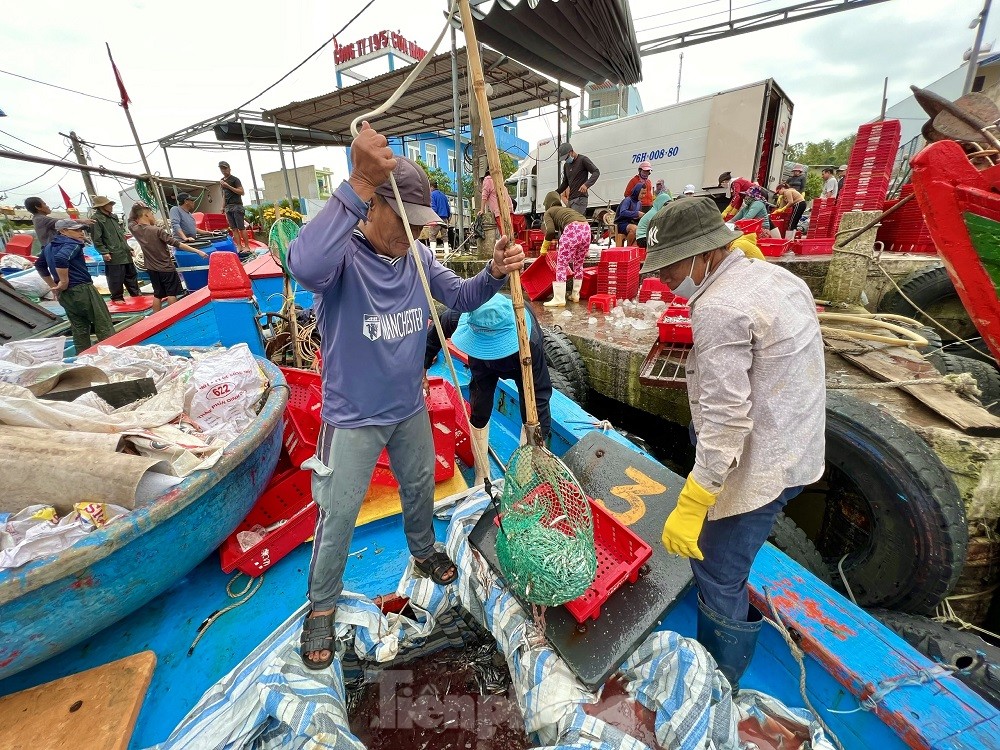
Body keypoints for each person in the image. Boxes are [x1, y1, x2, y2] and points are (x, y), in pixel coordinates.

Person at [285, 122, 525, 670]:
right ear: (372, 208)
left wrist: (492, 273)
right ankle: (321, 605)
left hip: (408, 407)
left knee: (420, 489)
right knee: (338, 513)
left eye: (420, 225)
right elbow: (303, 264)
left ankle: (422, 551)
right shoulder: (341, 260)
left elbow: (459, 294)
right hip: (352, 417)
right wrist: (358, 181)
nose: (413, 235)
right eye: (404, 221)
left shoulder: (417, 258)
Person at [639, 197, 825, 691]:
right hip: (800, 446)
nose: (663, 282)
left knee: (717, 567)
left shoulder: (719, 306)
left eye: (670, 268)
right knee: (728, 550)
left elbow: (725, 419)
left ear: (705, 254)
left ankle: (717, 682)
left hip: (762, 458)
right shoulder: (779, 278)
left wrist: (697, 498)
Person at [424, 296, 551, 484]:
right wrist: (422, 368)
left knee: (532, 414)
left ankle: (523, 477)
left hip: (520, 362)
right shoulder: (460, 317)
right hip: (481, 362)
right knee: (480, 408)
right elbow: (433, 337)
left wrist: (537, 440)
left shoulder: (530, 342)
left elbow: (539, 396)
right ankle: (482, 473)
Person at [35, 219, 115, 353]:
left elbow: (39, 265)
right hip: (82, 289)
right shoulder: (72, 243)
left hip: (65, 295)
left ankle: (83, 356)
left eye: (81, 230)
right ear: (63, 231)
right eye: (77, 230)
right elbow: (61, 258)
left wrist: (55, 286)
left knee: (79, 328)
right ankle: (112, 354)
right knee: (103, 323)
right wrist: (63, 281)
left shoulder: (49, 247)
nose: (81, 233)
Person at [129, 204, 207, 312]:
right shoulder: (157, 230)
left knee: (157, 295)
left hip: (151, 269)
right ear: (146, 215)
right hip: (166, 268)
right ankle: (173, 317)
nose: (153, 216)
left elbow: (130, 220)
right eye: (151, 214)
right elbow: (177, 244)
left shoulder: (135, 229)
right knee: (171, 294)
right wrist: (197, 251)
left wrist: (135, 207)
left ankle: (156, 319)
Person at [539, 191, 589, 307]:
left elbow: (550, 231)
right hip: (586, 229)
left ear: (548, 203)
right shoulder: (566, 210)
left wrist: (544, 248)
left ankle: (559, 298)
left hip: (573, 230)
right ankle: (575, 294)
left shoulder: (549, 212)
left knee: (561, 264)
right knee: (578, 263)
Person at [91, 196, 140, 303]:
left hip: (124, 251)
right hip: (113, 254)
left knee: (131, 275)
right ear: (102, 206)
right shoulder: (96, 219)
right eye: (109, 205)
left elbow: (121, 236)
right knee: (115, 277)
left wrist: (128, 248)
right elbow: (96, 239)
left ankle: (136, 294)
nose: (111, 206)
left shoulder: (113, 217)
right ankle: (117, 297)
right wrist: (104, 252)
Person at [25, 197, 93, 251]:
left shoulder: (39, 219)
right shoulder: (41, 219)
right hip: (54, 249)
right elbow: (63, 222)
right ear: (38, 207)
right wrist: (82, 221)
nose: (47, 206)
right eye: (44, 204)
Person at [556, 142, 600, 216]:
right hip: (571, 199)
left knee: (574, 221)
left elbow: (596, 172)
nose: (566, 160)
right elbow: (565, 183)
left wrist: (586, 185)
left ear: (571, 152)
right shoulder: (566, 165)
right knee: (568, 221)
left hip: (580, 199)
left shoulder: (583, 160)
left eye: (566, 157)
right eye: (564, 159)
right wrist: (556, 192)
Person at [219, 161, 249, 250]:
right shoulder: (222, 181)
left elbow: (242, 192)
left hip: (237, 205)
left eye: (225, 168)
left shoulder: (235, 179)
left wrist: (228, 186)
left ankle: (247, 246)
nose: (224, 170)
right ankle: (239, 246)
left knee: (241, 227)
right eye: (222, 168)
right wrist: (222, 207)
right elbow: (224, 195)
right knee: (233, 228)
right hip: (228, 207)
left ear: (229, 169)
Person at [428, 180, 451, 250]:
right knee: (445, 237)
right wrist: (448, 218)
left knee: (432, 236)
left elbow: (433, 208)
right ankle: (447, 253)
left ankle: (433, 254)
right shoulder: (443, 195)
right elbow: (448, 207)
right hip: (444, 219)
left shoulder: (432, 195)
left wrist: (431, 218)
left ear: (431, 187)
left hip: (436, 218)